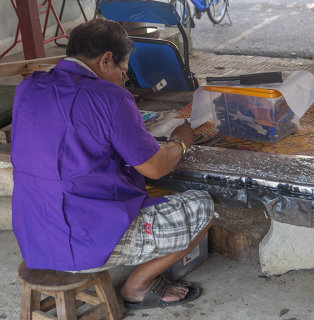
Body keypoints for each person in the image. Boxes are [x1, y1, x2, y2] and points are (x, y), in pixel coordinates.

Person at [11, 19, 214, 310]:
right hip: (82, 242)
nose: (123, 76)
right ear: (106, 59)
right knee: (202, 206)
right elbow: (156, 168)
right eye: (123, 68)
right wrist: (181, 141)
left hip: (35, 236)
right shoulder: (110, 98)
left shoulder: (28, 87)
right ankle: (137, 287)